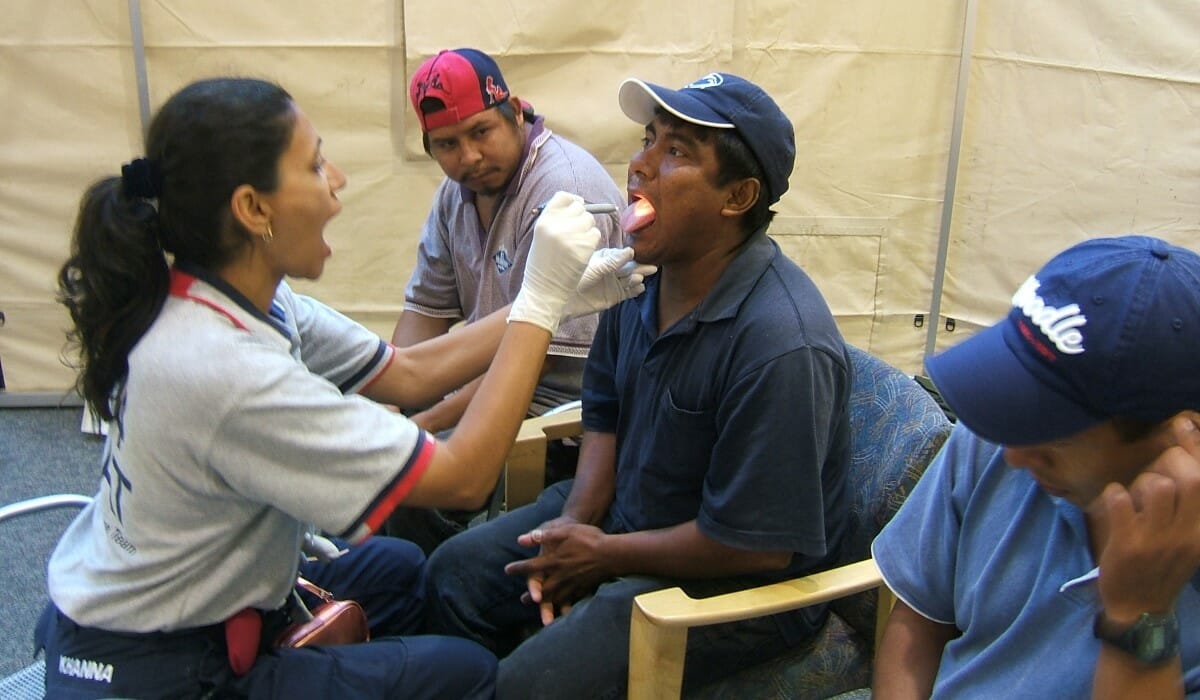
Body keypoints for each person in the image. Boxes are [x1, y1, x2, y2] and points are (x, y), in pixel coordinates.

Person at [38, 76, 647, 700]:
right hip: (162, 671)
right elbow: (465, 475)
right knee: (465, 673)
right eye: (313, 164)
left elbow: (410, 371)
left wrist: (545, 298)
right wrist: (541, 305)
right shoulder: (225, 370)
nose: (337, 179)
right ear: (253, 208)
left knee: (404, 570)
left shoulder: (241, 299)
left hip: (162, 600)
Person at [423, 72, 852, 699]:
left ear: (738, 197)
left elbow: (754, 548)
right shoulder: (639, 278)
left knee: (526, 686)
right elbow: (603, 410)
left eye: (675, 152)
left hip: (732, 587)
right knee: (451, 576)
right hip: (626, 520)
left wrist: (604, 557)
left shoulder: (781, 342)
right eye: (649, 139)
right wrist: (573, 525)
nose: (639, 165)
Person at [871, 235, 1200, 698]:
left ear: (1182, 436)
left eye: (1058, 435)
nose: (1015, 455)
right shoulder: (996, 435)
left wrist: (1141, 614)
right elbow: (918, 623)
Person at [386, 48, 632, 551]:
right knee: (385, 462)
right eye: (448, 144)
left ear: (516, 112)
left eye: (481, 132)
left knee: (407, 482)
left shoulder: (562, 190)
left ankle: (440, 598)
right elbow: (422, 318)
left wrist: (422, 425)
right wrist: (393, 405)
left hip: (562, 417)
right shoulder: (457, 193)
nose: (469, 157)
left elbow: (530, 358)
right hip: (494, 385)